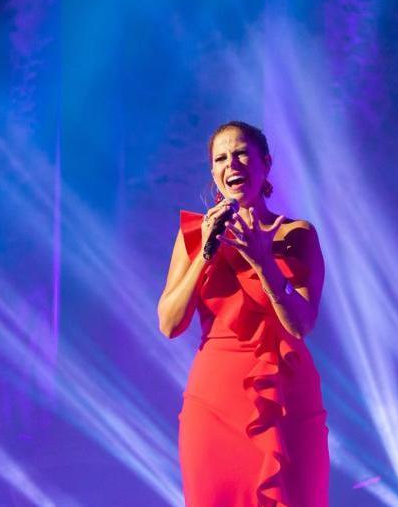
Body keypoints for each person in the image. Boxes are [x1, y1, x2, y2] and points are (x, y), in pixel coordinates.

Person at [157, 121, 329, 507]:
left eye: (241, 154)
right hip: (215, 399)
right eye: (221, 158)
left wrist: (264, 260)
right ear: (213, 173)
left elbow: (302, 323)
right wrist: (206, 251)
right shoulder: (193, 236)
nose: (231, 163)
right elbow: (169, 323)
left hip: (288, 394)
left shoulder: (298, 235)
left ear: (264, 164)